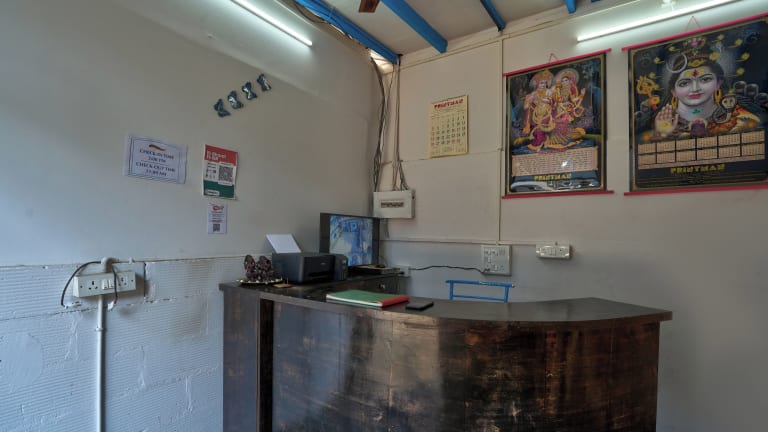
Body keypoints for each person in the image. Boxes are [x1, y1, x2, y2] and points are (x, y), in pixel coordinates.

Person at [653, 38, 761, 139]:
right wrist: (663, 135)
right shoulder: (660, 124)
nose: (695, 88)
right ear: (673, 91)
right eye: (684, 83)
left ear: (718, 83)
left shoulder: (740, 118)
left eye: (705, 79)